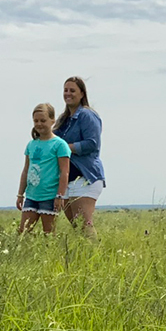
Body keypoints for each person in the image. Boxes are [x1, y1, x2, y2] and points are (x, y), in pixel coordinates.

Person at [53, 76, 105, 239]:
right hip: (68, 178)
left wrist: (66, 148)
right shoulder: (64, 120)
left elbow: (92, 143)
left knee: (84, 224)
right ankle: (85, 258)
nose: (68, 94)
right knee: (77, 227)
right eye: (66, 90)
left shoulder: (87, 115)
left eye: (72, 90)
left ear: (82, 93)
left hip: (85, 177)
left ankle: (97, 259)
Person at [16, 103, 71, 234]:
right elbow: (26, 170)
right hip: (32, 195)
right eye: (36, 121)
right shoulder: (31, 144)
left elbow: (64, 172)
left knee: (49, 234)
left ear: (52, 120)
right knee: (23, 233)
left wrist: (60, 196)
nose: (39, 124)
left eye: (43, 120)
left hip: (49, 196)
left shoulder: (60, 145)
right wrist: (20, 194)